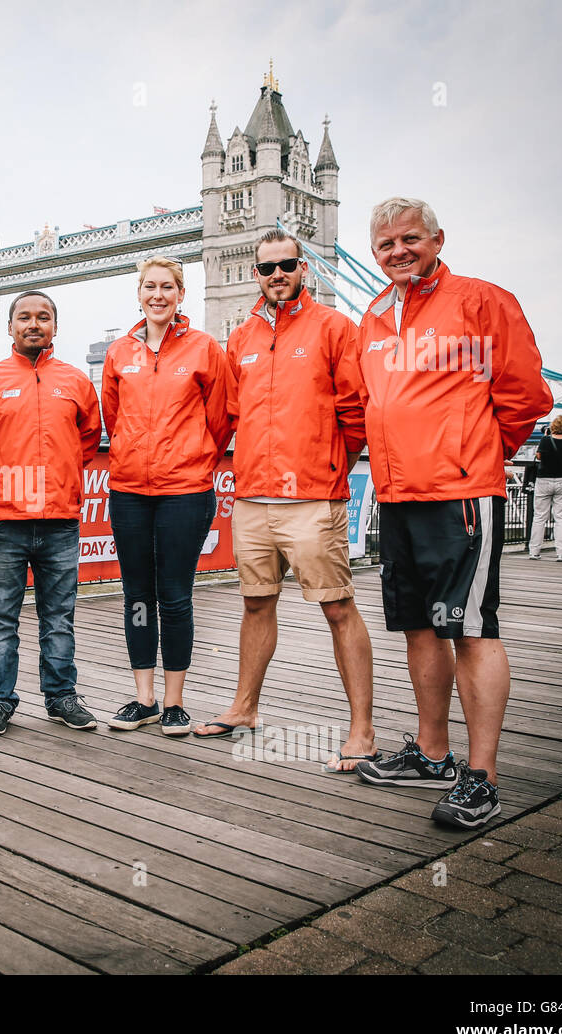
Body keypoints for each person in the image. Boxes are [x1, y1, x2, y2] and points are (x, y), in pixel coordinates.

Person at [351, 197, 552, 828]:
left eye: (410, 239)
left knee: (470, 629)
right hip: (397, 494)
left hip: (459, 493)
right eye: (385, 245)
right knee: (418, 626)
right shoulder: (375, 315)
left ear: (438, 239)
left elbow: (524, 394)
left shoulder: (482, 301)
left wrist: (473, 454)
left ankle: (482, 775)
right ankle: (434, 753)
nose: (398, 252)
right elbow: (369, 404)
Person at [193, 231, 378, 775]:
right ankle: (244, 708)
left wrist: (328, 466)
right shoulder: (242, 337)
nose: (277, 274)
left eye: (287, 264)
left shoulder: (335, 328)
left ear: (305, 270)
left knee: (337, 606)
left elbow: (355, 413)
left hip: (311, 497)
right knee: (254, 602)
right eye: (266, 267)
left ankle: (362, 729)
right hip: (251, 495)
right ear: (255, 272)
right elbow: (225, 414)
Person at [100, 257, 233, 737]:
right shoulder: (119, 353)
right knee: (136, 594)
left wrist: (192, 459)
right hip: (130, 489)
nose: (158, 295)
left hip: (185, 490)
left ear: (181, 295)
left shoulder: (204, 349)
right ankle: (144, 699)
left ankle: (175, 701)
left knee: (175, 596)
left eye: (167, 287)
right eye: (150, 287)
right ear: (139, 293)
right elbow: (113, 418)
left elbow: (220, 420)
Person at [0, 291, 102, 735]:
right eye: (24, 317)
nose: (34, 324)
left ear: (55, 327)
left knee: (59, 616)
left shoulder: (77, 382)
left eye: (43, 317)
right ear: (10, 328)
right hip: (6, 520)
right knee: (1, 617)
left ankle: (61, 696)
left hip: (60, 519)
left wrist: (59, 479)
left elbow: (88, 440)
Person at [528, 415, 562, 562]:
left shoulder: (545, 440)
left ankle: (534, 551)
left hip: (544, 480)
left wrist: (546, 437)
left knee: (539, 517)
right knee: (561, 518)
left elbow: (539, 457)